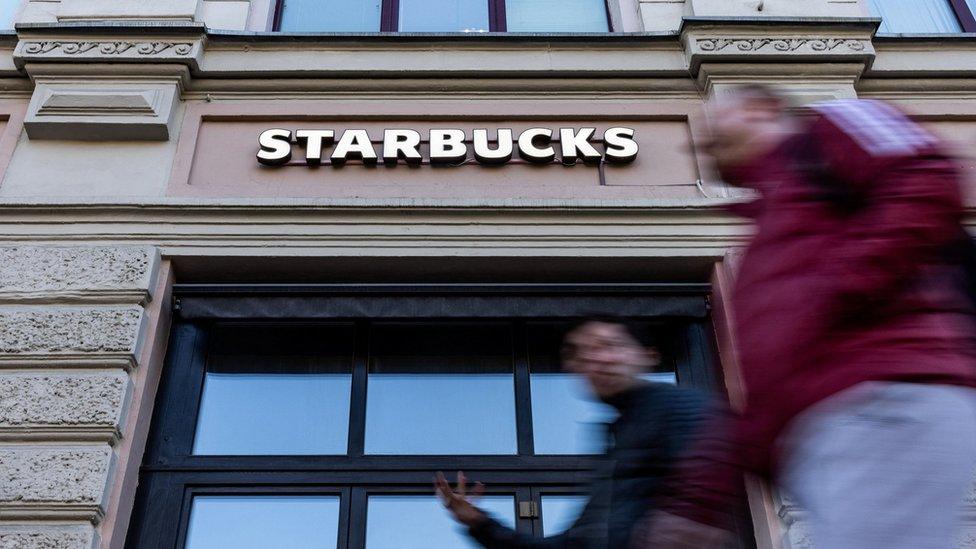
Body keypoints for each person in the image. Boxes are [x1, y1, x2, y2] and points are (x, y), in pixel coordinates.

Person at [639, 87, 976, 549]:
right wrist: (698, 500)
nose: (701, 138)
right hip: (832, 440)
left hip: (888, 405)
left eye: (719, 117)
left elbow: (926, 178)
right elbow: (763, 395)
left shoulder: (836, 122)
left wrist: (840, 286)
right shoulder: (766, 241)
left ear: (761, 110)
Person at [433, 317, 712, 549]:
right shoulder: (615, 447)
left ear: (647, 355)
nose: (598, 359)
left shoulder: (677, 407)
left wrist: (686, 519)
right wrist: (478, 522)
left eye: (609, 345)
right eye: (583, 353)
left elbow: (715, 457)